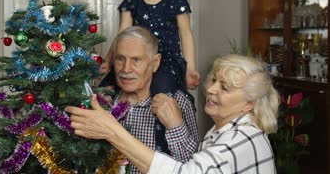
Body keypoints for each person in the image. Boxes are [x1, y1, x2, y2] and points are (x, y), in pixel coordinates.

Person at [67, 54, 279, 173]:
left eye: (225, 88)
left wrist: (112, 131)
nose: (212, 89)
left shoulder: (240, 137)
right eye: (214, 80)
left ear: (248, 104)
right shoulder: (224, 128)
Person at [99, 0, 201, 157]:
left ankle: (160, 148)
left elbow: (186, 34)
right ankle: (112, 142)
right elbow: (122, 35)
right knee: (108, 87)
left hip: (166, 62)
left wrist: (190, 67)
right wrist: (109, 60)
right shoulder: (132, 0)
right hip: (139, 57)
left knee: (161, 96)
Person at [98, 26, 199, 173]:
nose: (126, 69)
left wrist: (176, 126)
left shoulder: (177, 102)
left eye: (136, 60)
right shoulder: (104, 101)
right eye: (120, 59)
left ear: (155, 62)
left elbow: (194, 168)